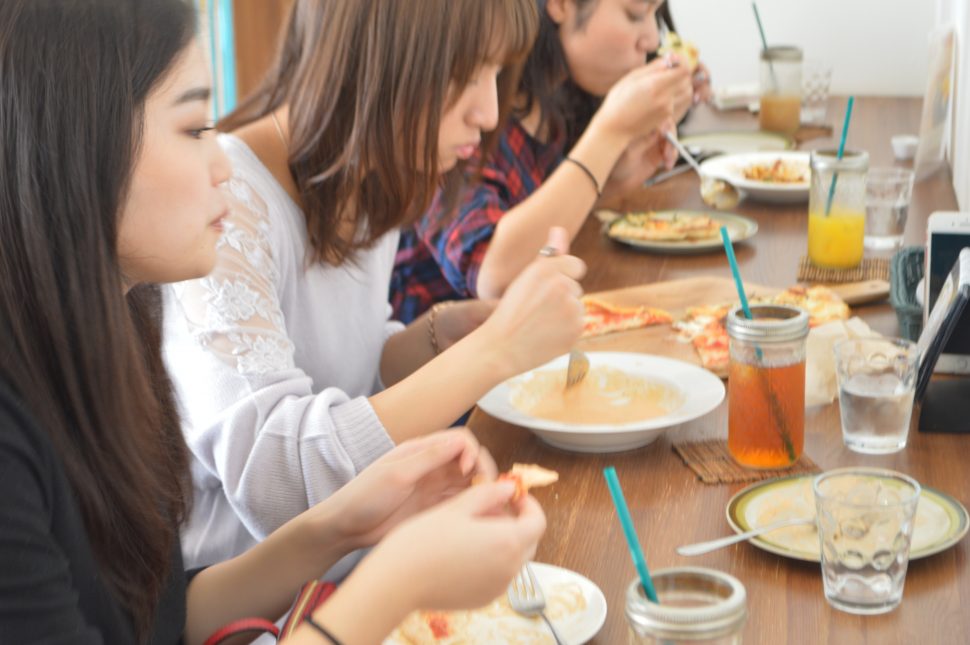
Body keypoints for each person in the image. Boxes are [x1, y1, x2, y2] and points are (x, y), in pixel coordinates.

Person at [0, 1, 545, 643]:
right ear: (75, 141)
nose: (226, 165)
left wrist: (347, 525)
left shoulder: (115, 336)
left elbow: (164, 617)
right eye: (194, 128)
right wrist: (399, 577)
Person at [162, 0, 583, 571]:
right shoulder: (230, 203)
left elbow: (348, 368)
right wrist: (493, 351)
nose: (488, 112)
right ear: (376, 60)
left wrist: (438, 334)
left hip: (370, 562)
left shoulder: (369, 176)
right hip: (264, 611)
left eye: (495, 75)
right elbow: (274, 482)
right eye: (465, 75)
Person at [391, 0, 696, 323]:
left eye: (655, 15)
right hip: (432, 358)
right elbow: (494, 276)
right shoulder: (455, 118)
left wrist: (610, 182)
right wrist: (609, 135)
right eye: (635, 14)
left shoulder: (553, 105)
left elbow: (541, 231)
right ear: (561, 5)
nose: (651, 39)